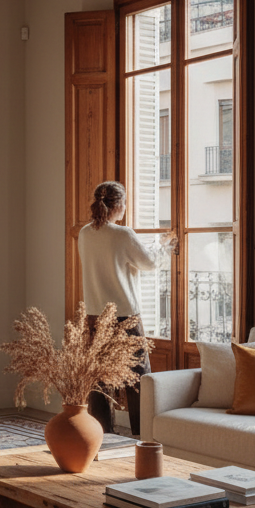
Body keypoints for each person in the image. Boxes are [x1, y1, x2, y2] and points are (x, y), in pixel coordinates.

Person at [77, 180, 176, 436]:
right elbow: (148, 262)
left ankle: (101, 433)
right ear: (119, 205)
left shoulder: (86, 233)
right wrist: (166, 246)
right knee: (139, 376)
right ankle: (143, 433)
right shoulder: (123, 234)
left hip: (95, 315)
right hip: (124, 315)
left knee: (99, 378)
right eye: (124, 202)